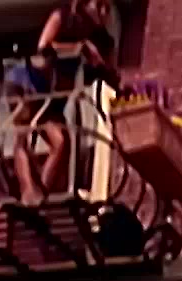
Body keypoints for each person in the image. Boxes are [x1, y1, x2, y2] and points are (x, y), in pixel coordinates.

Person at [7, 0, 119, 204]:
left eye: (107, 8)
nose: (103, 12)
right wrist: (79, 47)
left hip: (53, 100)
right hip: (28, 84)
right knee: (23, 135)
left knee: (61, 142)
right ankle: (28, 192)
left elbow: (111, 76)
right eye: (99, 5)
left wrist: (103, 66)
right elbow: (43, 49)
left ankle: (39, 195)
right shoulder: (62, 17)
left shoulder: (102, 40)